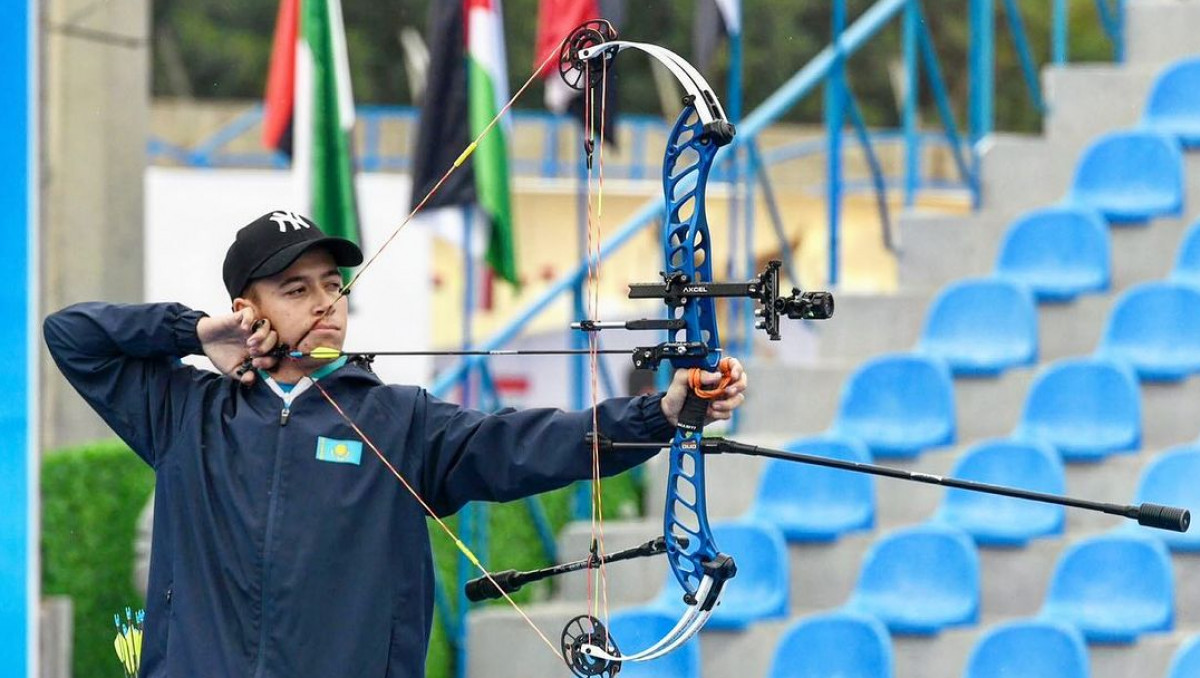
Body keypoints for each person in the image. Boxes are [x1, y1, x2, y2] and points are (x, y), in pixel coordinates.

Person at [43, 210, 748, 678]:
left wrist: (663, 413)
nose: (326, 304)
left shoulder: (399, 420)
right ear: (246, 312)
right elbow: (71, 335)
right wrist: (192, 334)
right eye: (296, 289)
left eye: (333, 285)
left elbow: (526, 443)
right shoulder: (185, 412)